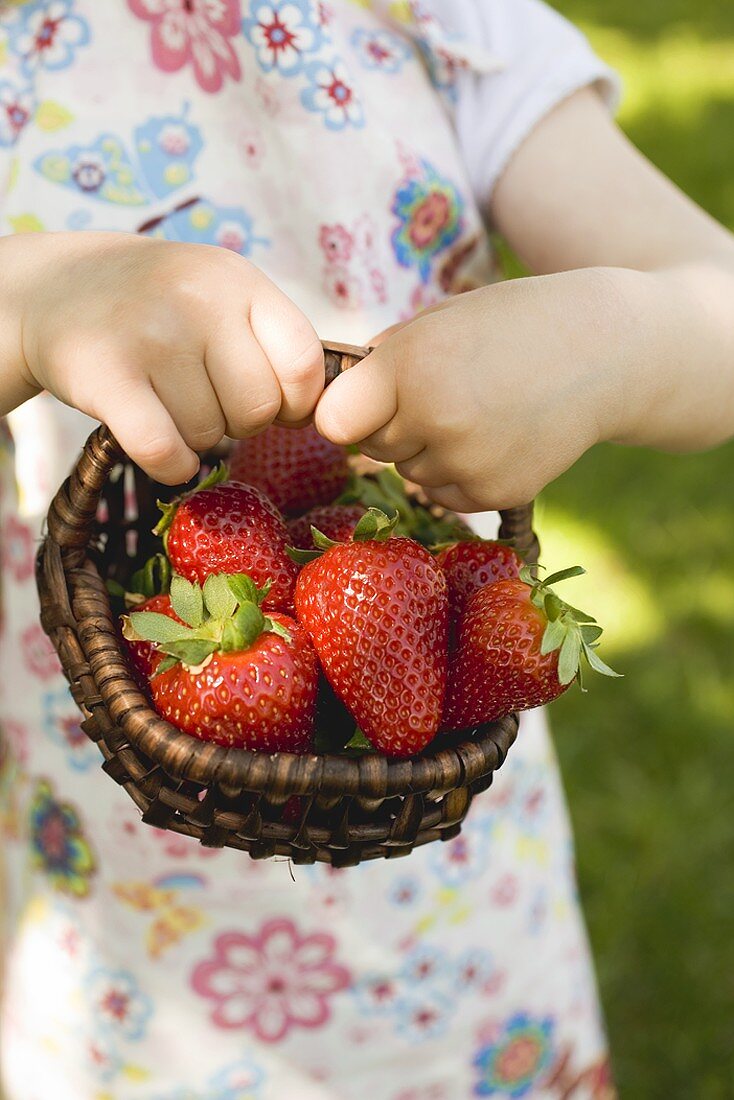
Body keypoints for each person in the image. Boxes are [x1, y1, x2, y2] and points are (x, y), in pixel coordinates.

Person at [0, 1, 732, 1097]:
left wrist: (618, 340)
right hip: (119, 912)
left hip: (453, 899)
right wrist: (30, 300)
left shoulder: (450, 25)